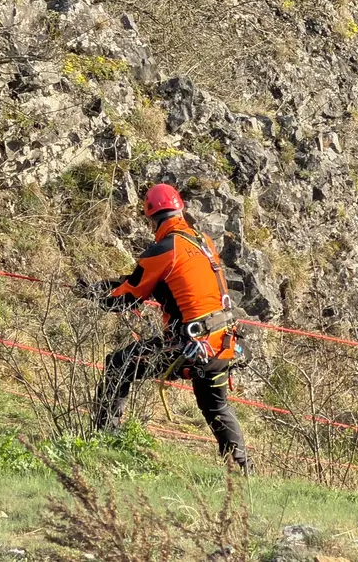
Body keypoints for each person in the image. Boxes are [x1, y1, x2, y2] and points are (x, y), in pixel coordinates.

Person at [76, 184, 250, 472]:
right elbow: (161, 282)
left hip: (190, 346)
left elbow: (127, 297)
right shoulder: (201, 241)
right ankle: (243, 472)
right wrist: (107, 286)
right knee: (216, 407)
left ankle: (103, 438)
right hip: (222, 343)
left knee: (119, 365)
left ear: (150, 216)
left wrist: (93, 294)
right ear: (180, 208)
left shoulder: (163, 248)